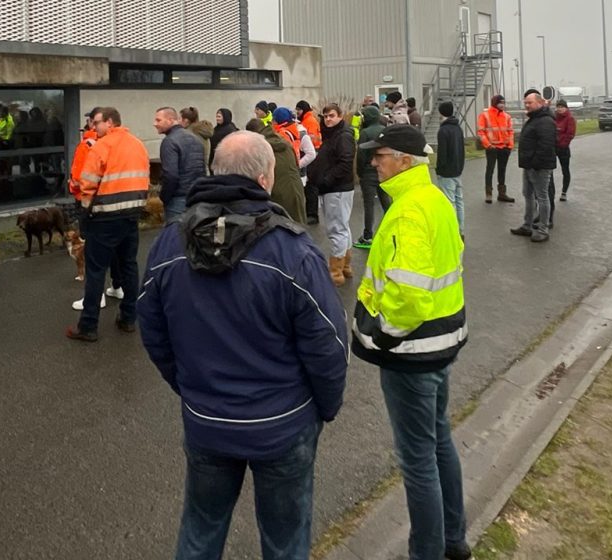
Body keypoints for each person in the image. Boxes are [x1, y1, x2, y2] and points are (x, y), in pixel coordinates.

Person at [139, 130, 348, 560]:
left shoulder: (169, 243)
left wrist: (188, 385)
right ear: (267, 178)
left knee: (201, 530)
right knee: (285, 539)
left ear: (215, 170)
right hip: (284, 424)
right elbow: (328, 343)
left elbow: (151, 325)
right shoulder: (293, 252)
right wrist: (324, 407)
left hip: (208, 420)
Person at [352, 124, 470, 560]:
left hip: (411, 353)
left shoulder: (406, 211)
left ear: (403, 160)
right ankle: (454, 541)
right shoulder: (433, 199)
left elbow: (407, 295)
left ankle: (428, 552)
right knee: (439, 443)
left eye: (379, 155)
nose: (373, 163)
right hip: (441, 344)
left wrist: (382, 333)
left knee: (418, 460)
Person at [65, 107, 148, 342]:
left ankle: (88, 326)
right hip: (131, 216)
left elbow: (87, 184)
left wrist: (85, 210)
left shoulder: (101, 146)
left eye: (97, 123)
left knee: (96, 271)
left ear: (110, 122)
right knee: (129, 266)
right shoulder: (137, 144)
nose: (94, 128)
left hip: (104, 218)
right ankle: (128, 319)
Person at [67, 108, 123, 311]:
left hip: (91, 203)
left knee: (93, 253)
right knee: (117, 249)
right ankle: (118, 286)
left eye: (91, 122)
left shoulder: (87, 145)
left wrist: (72, 186)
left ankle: (95, 297)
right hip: (116, 202)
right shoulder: (118, 143)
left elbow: (79, 176)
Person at [306, 103, 356, 286]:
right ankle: (345, 266)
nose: (328, 119)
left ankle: (336, 272)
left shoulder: (342, 136)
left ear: (340, 116)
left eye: (332, 116)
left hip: (337, 189)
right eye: (326, 116)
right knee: (343, 228)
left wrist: (326, 179)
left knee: (337, 229)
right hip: (336, 188)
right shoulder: (334, 134)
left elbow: (345, 162)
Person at [512, 91, 556, 242]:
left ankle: (543, 229)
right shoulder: (534, 119)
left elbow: (546, 146)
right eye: (525, 103)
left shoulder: (545, 121)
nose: (526, 105)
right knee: (528, 195)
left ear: (539, 103)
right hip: (529, 165)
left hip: (539, 167)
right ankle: (527, 225)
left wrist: (535, 164)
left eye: (529, 103)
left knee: (542, 197)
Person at [246, 118, 306, 224]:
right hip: (297, 189)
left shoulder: (260, 148)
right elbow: (296, 164)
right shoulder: (284, 141)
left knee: (283, 230)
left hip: (277, 193)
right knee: (298, 228)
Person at [156, 106, 205, 222]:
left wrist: (164, 197)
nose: (154, 124)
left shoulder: (170, 142)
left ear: (170, 120)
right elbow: (201, 169)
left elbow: (171, 175)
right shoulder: (196, 139)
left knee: (175, 236)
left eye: (158, 120)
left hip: (177, 199)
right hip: (196, 196)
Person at [272, 107, 318, 224]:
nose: (272, 121)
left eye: (274, 119)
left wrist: (297, 166)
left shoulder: (300, 133)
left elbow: (311, 154)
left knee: (294, 212)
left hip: (297, 177)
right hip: (291, 176)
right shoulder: (281, 132)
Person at [353, 104, 390, 249]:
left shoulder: (366, 133)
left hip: (368, 171)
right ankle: (393, 229)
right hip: (384, 170)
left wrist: (360, 172)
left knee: (369, 205)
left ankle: (368, 236)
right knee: (386, 202)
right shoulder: (384, 130)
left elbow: (361, 154)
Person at [476, 95, 516, 204]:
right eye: (500, 102)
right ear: (495, 103)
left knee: (502, 171)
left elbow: (510, 131)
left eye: (503, 102)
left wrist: (510, 145)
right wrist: (488, 145)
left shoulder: (507, 116)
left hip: (504, 147)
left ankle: (502, 193)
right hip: (492, 147)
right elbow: (481, 132)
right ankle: (489, 194)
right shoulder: (485, 115)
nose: (502, 105)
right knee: (490, 170)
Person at [435, 102, 466, 231]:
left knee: (449, 201)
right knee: (459, 200)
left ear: (441, 113)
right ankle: (460, 228)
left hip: (446, 171)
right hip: (457, 168)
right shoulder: (457, 128)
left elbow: (442, 153)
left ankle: (452, 230)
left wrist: (439, 168)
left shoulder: (443, 130)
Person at [552, 100, 577, 202]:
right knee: (549, 170)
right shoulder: (553, 117)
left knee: (565, 170)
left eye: (562, 107)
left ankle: (564, 192)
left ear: (566, 108)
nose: (560, 109)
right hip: (553, 148)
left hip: (563, 148)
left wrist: (563, 144)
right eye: (558, 107)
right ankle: (550, 192)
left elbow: (570, 134)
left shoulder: (569, 118)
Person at [181, 107, 214, 171]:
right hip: (204, 171)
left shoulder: (188, 135)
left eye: (179, 118)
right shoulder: (201, 131)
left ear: (186, 121)